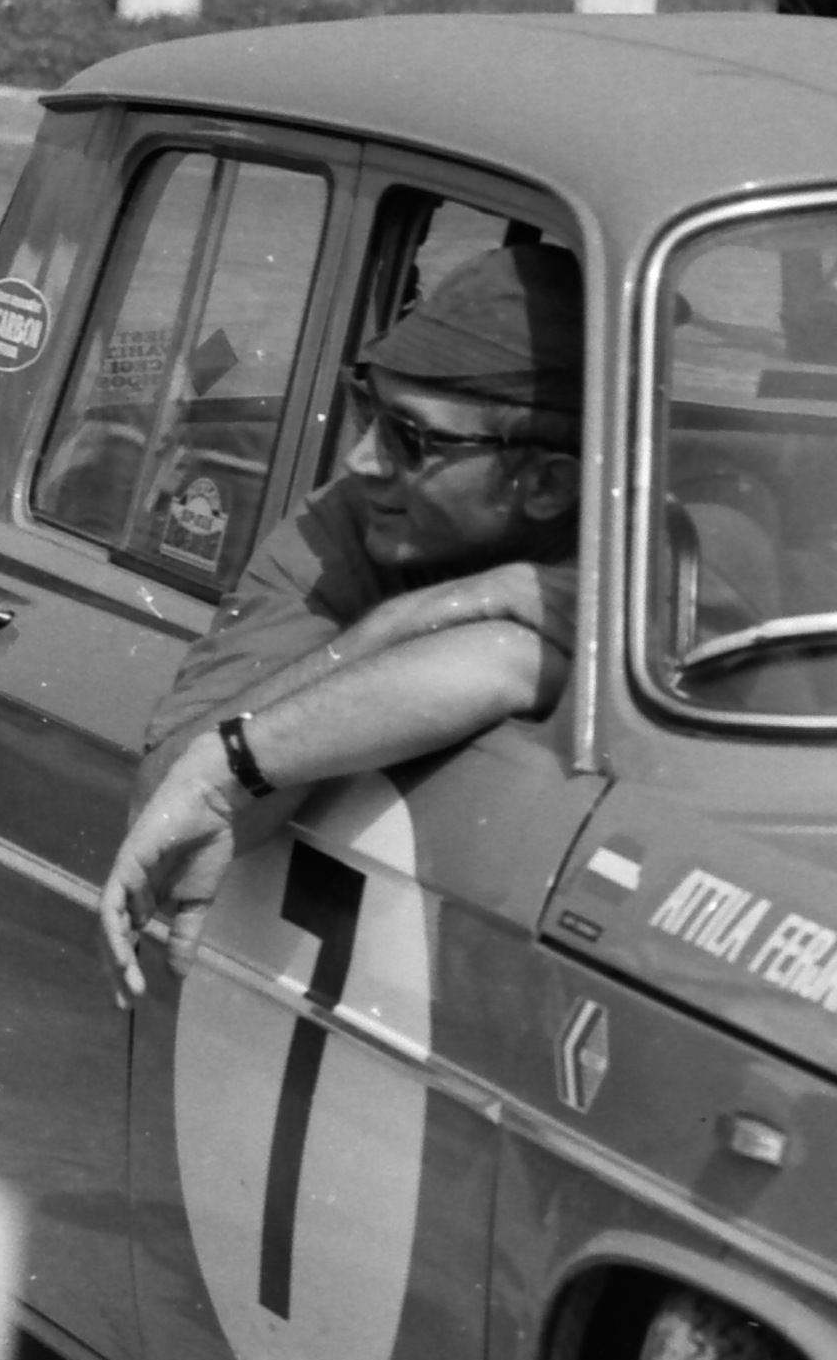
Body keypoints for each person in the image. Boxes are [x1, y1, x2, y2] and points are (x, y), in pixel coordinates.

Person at [99, 243, 584, 1003]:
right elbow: (167, 802)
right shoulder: (353, 521)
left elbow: (515, 663)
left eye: (408, 437)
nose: (360, 460)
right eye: (367, 410)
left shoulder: (677, 556)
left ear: (549, 484)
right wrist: (393, 627)